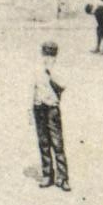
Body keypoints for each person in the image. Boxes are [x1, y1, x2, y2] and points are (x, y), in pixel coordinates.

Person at [32, 41, 70, 190]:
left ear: (56, 55)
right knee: (43, 142)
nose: (48, 58)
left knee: (57, 143)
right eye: (46, 54)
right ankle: (47, 174)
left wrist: (51, 72)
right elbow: (33, 87)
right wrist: (32, 107)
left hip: (52, 108)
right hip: (39, 107)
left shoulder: (58, 69)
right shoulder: (37, 68)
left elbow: (63, 86)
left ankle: (63, 177)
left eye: (51, 55)